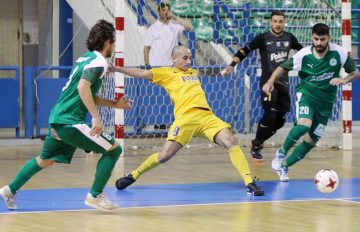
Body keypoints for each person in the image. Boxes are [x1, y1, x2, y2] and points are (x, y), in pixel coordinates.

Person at [0, 20, 132, 211]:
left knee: (44, 160)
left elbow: (87, 93)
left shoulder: (85, 58)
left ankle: (9, 190)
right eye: (113, 41)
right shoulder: (99, 62)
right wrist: (96, 117)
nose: (115, 46)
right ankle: (95, 195)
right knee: (113, 149)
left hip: (58, 118)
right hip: (70, 121)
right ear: (106, 42)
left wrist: (114, 104)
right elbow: (82, 87)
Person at [112, 45, 264, 196]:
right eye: (185, 58)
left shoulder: (193, 72)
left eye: (190, 58)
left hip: (207, 118)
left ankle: (249, 182)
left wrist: (227, 69)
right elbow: (142, 73)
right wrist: (119, 69)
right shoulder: (165, 72)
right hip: (185, 119)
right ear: (174, 59)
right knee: (164, 156)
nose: (189, 61)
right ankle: (134, 175)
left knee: (231, 140)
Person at [262, 23, 359, 181]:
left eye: (322, 39)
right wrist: (270, 81)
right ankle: (280, 153)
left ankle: (284, 167)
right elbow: (283, 67)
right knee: (303, 125)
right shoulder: (304, 54)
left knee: (311, 141)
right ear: (312, 38)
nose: (319, 43)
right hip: (307, 95)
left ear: (329, 38)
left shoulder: (339, 53)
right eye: (316, 39)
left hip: (326, 104)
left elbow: (355, 72)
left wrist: (344, 80)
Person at [221, 10, 303, 160]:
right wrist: (232, 64)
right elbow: (245, 50)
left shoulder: (290, 38)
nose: (278, 24)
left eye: (280, 21)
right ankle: (257, 145)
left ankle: (258, 142)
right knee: (270, 114)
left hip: (284, 83)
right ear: (270, 23)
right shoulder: (263, 38)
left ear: (284, 23)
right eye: (275, 21)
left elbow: (303, 52)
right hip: (268, 84)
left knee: (280, 120)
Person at [144, 2, 192, 68]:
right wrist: (147, 65)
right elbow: (146, 48)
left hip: (171, 66)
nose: (166, 12)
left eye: (167, 10)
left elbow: (189, 28)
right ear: (158, 12)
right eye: (163, 10)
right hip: (155, 65)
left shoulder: (175, 26)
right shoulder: (153, 28)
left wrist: (175, 17)